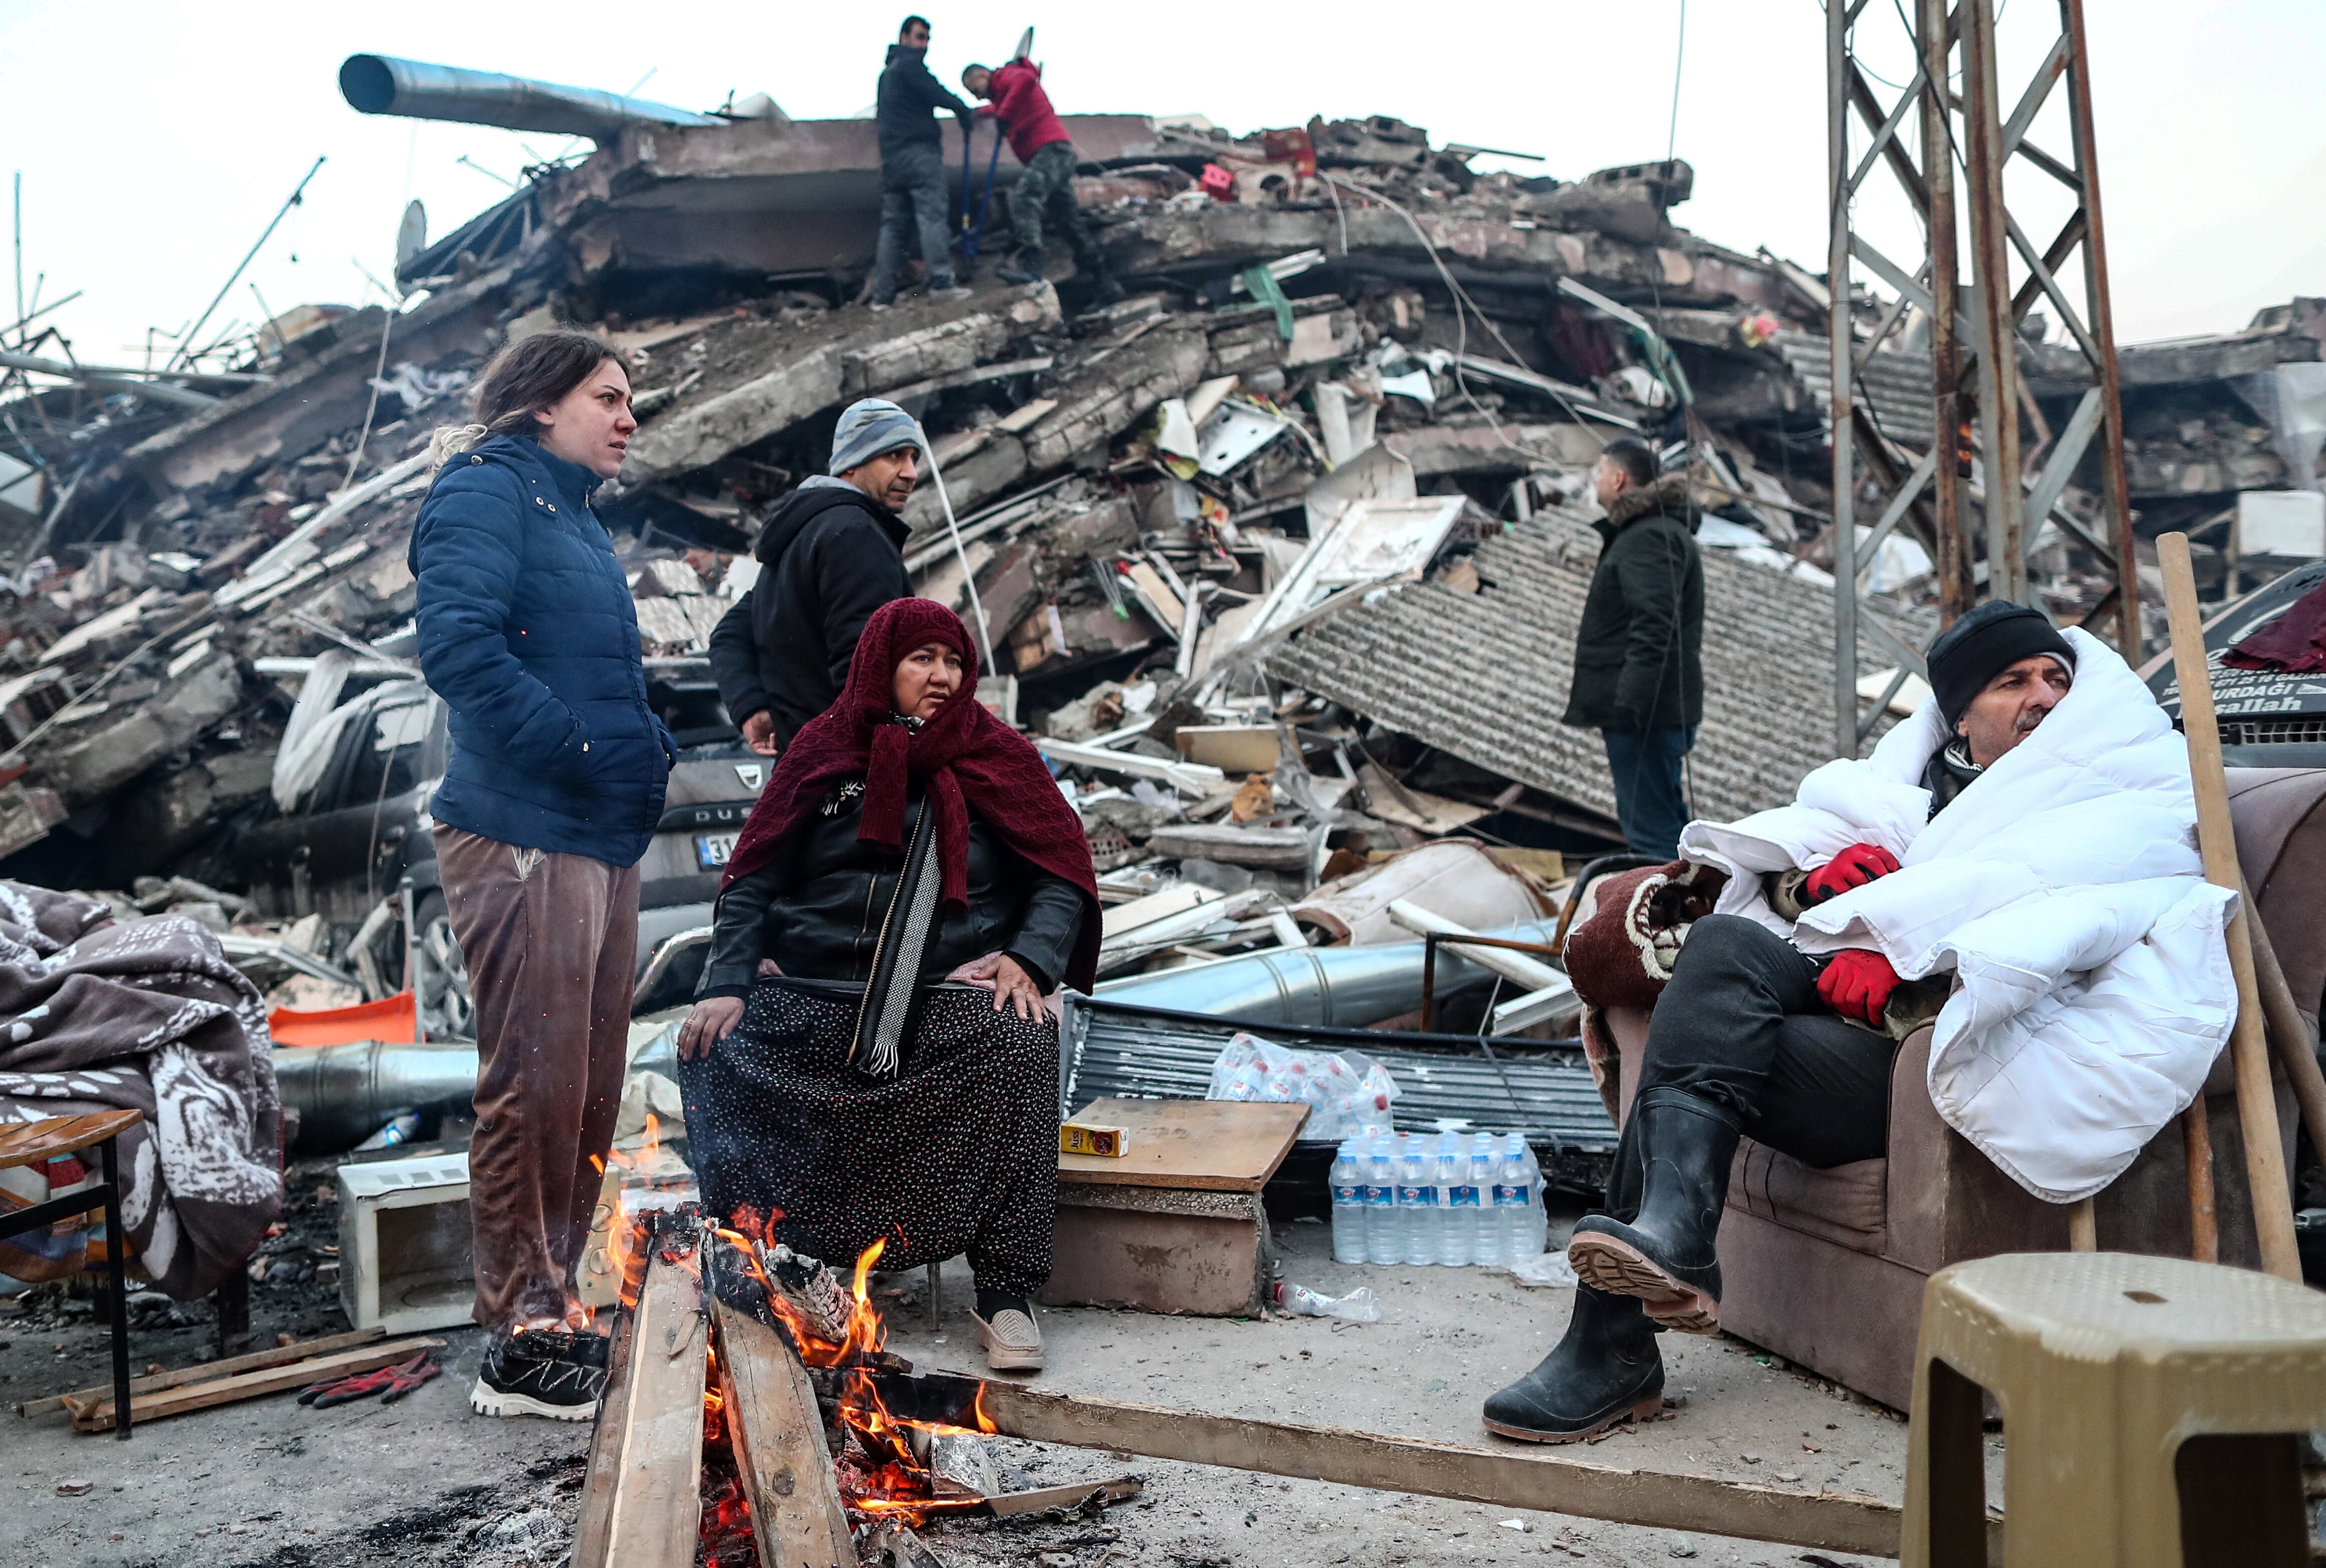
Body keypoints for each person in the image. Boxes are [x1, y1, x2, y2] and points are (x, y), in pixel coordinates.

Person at [1484, 600, 2237, 1443]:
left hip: (1942, 1046)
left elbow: (2090, 904)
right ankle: (1672, 1234)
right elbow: (1779, 882)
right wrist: (1810, 887)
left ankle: (1609, 1348)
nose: (2044, 696)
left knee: (1689, 1041)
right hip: (1839, 1035)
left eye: (2057, 677)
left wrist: (1914, 952)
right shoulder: (1910, 793)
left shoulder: (2119, 790)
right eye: (2013, 681)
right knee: (1726, 949)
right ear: (1959, 717)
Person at [675, 598, 1098, 1374]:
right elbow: (751, 877)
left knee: (1021, 1036)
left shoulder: (998, 755)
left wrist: (1029, 961)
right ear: (882, 666)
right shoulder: (822, 749)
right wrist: (728, 979)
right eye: (921, 660)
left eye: (954, 663)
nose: (941, 677)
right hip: (815, 987)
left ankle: (1005, 1290)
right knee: (713, 1045)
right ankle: (769, 1270)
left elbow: (1062, 876)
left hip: (941, 993)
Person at [410, 330, 676, 1420]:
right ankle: (519, 1330)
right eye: (607, 397)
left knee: (589, 1086)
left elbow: (597, 667)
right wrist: (576, 749)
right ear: (538, 402)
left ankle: (558, 1299)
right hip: (521, 829)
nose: (626, 418)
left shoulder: (575, 516)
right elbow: (460, 649)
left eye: (630, 403)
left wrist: (642, 750)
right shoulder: (485, 491)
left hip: (592, 833)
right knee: (533, 1080)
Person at [707, 399, 925, 756]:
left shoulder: (803, 533)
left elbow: (730, 634)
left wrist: (752, 708)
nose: (911, 472)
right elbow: (864, 669)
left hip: (803, 772)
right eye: (894, 456)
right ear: (853, 463)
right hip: (852, 778)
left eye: (913, 457)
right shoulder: (856, 534)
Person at [1560, 436, 1703, 860]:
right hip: (1651, 711)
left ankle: (1668, 922)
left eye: (1600, 472)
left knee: (1652, 838)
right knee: (1664, 826)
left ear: (1619, 479)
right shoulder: (1648, 533)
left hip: (1647, 716)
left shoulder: (1649, 538)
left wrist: (1631, 706)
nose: (1597, 481)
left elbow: (1655, 626)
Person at [959, 58, 1124, 303]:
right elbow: (1000, 106)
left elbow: (1025, 81)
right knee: (1068, 222)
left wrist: (1003, 114)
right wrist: (978, 115)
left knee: (1025, 197)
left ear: (984, 77)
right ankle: (1106, 283)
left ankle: (1031, 267)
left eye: (976, 91)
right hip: (1053, 154)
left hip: (1052, 151)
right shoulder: (1003, 94)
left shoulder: (1007, 76)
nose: (977, 97)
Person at [872, 15, 974, 310]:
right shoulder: (909, 66)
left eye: (927, 39)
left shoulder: (887, 74)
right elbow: (936, 92)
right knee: (931, 216)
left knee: (893, 226)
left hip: (892, 161)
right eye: (919, 37)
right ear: (903, 38)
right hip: (919, 155)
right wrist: (962, 109)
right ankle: (942, 283)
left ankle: (882, 297)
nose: (924, 45)